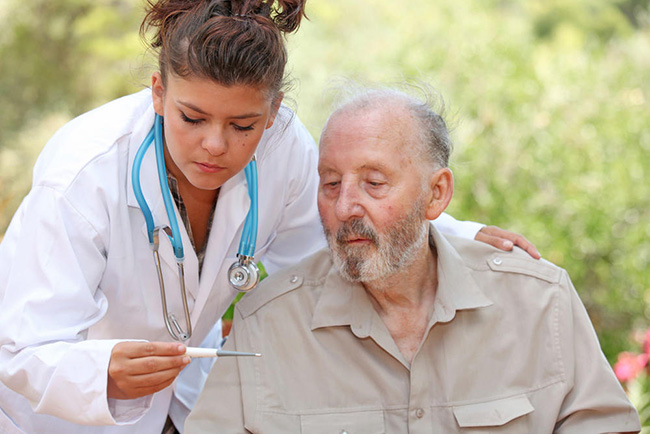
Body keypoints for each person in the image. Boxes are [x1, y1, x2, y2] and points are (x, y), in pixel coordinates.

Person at [0, 2, 539, 433]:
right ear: (159, 93)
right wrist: (103, 372)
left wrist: (453, 231)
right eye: (192, 117)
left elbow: (339, 223)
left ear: (274, 111)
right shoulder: (83, 174)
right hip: (49, 419)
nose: (215, 145)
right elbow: (19, 348)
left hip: (187, 403)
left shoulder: (283, 147)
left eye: (243, 125)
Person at [185, 86, 641, 433]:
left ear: (436, 193)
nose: (345, 208)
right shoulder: (267, 323)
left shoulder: (540, 302)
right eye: (330, 184)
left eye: (374, 183)